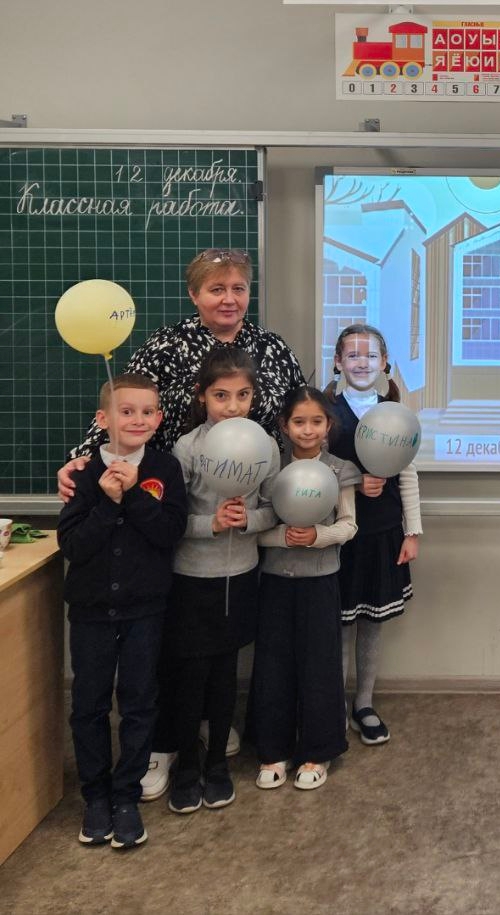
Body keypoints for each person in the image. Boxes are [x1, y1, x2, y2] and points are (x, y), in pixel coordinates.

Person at [56, 247, 305, 799]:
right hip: (164, 507)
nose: (229, 299)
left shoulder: (270, 348)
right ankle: (169, 742)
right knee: (172, 646)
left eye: (238, 288)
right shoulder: (166, 346)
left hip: (243, 521)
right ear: (195, 295)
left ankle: (210, 729)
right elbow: (126, 405)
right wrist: (80, 459)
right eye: (216, 289)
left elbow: (298, 419)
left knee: (222, 648)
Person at [56, 375, 187, 849]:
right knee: (89, 704)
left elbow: (169, 533)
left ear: (159, 418)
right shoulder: (81, 473)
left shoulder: (165, 469)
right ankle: (95, 796)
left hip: (144, 610)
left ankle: (127, 795)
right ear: (103, 418)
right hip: (91, 611)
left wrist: (132, 496)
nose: (137, 420)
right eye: (126, 411)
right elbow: (73, 545)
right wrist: (108, 503)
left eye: (147, 412)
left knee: (138, 701)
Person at [163, 348, 279, 814]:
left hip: (240, 574)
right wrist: (209, 524)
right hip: (193, 579)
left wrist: (247, 520)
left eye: (243, 395)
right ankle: (186, 767)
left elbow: (273, 510)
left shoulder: (265, 446)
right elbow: (170, 522)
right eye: (221, 396)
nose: (233, 406)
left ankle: (217, 765)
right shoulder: (187, 448)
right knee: (190, 676)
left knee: (225, 675)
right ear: (202, 396)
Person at [251, 387, 360, 791]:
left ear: (329, 425)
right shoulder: (271, 470)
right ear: (284, 425)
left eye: (317, 421)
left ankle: (318, 751)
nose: (308, 430)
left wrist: (317, 536)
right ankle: (272, 750)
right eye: (299, 422)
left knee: (320, 666)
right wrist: (283, 538)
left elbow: (349, 525)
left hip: (321, 581)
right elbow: (255, 530)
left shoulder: (339, 470)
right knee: (273, 664)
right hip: (275, 581)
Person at [325, 324, 422, 745]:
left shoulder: (394, 413)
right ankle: (333, 704)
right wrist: (352, 481)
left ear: (384, 363)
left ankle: (363, 703)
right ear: (338, 362)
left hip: (384, 531)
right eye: (352, 355)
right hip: (337, 534)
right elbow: (313, 467)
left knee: (372, 622)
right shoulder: (326, 413)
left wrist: (412, 531)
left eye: (370, 356)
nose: (361, 363)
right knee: (339, 623)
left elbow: (408, 474)